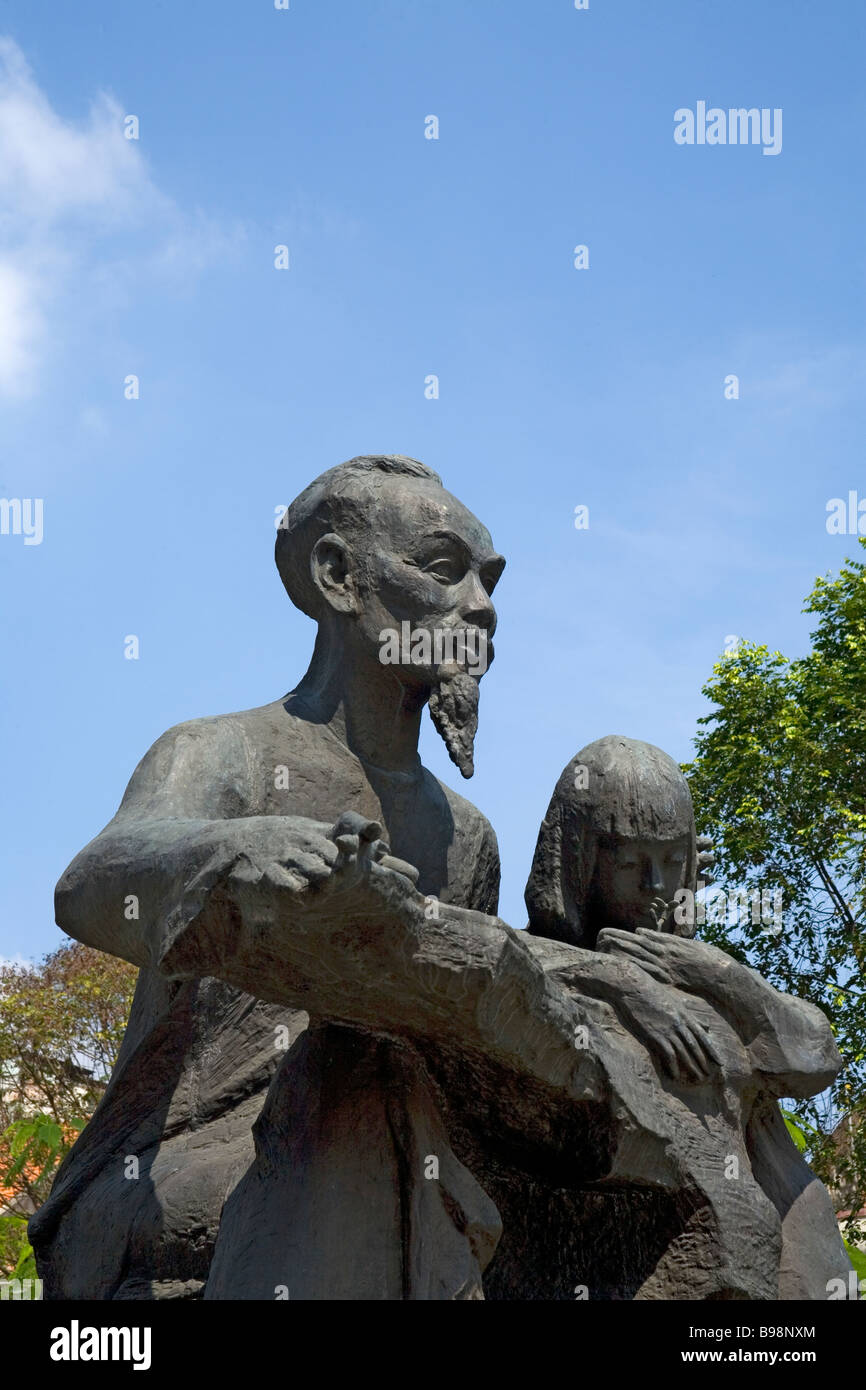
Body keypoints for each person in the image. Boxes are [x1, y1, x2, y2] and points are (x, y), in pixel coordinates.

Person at [524, 734, 851, 1298]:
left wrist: (725, 977)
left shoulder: (700, 973)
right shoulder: (534, 962)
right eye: (633, 864)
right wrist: (621, 982)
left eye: (674, 861)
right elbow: (492, 952)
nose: (657, 888)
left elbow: (816, 1062)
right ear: (579, 858)